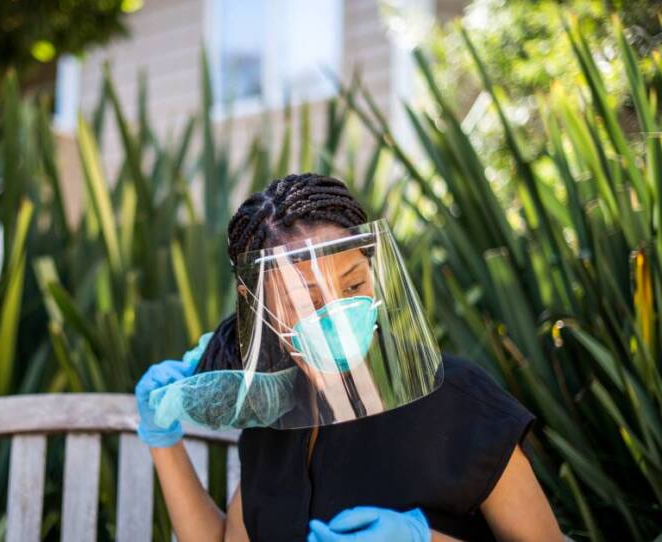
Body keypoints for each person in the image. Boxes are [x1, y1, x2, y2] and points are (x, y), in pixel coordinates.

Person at [135, 173, 562, 541]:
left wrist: (422, 539)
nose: (337, 313)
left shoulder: (459, 402)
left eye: (354, 285)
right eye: (307, 299)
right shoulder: (274, 418)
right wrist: (163, 441)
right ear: (259, 305)